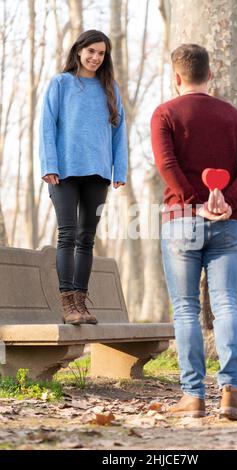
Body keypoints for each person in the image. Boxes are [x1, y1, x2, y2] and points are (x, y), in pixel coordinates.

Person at [150, 44, 237, 421]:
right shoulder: (235, 116)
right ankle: (232, 394)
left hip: (181, 219)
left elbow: (167, 164)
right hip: (229, 222)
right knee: (227, 303)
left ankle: (192, 396)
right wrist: (226, 201)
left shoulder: (165, 113)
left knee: (186, 309)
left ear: (176, 77)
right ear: (209, 75)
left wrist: (195, 202)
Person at [39, 30, 128, 326]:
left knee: (87, 238)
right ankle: (68, 303)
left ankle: (80, 301)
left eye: (101, 53)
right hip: (63, 172)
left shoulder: (109, 87)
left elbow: (119, 132)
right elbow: (47, 126)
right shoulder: (61, 83)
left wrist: (120, 170)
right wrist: (49, 163)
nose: (95, 57)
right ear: (78, 50)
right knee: (68, 234)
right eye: (91, 51)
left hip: (98, 173)